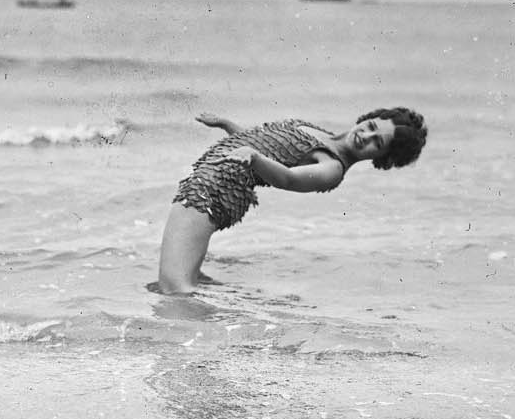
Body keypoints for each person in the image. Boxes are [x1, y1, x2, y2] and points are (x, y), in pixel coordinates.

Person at [156, 108, 428, 294]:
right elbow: (264, 145)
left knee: (174, 287)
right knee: (185, 280)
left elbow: (287, 178)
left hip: (212, 193)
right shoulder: (320, 134)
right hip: (209, 181)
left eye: (376, 143)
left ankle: (189, 355)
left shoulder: (332, 167)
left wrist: (255, 158)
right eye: (370, 127)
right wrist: (228, 126)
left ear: (379, 158)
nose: (365, 136)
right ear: (367, 118)